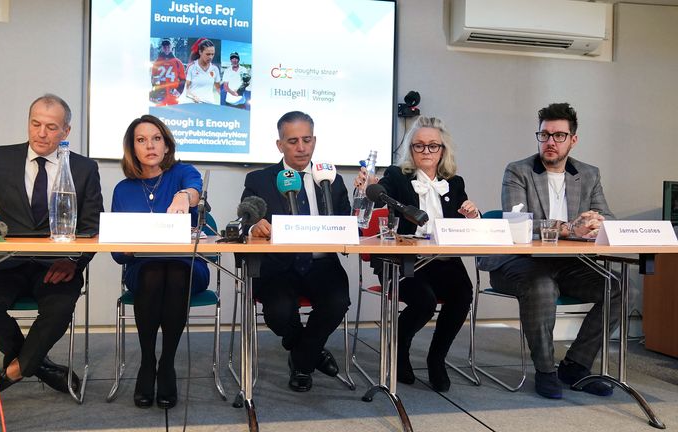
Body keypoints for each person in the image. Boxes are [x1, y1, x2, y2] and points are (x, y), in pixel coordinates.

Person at [0, 94, 104, 405]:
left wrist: (71, 260)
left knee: (58, 309)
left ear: (65, 131)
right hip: (7, 262)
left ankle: (6, 376)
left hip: (56, 264)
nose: (41, 133)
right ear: (28, 123)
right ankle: (38, 366)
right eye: (35, 124)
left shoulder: (84, 168)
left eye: (51, 127)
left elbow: (92, 225)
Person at [477, 102, 621, 399]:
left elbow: (609, 217)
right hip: (516, 263)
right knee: (542, 285)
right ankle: (545, 370)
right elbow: (518, 222)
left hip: (568, 264)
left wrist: (597, 222)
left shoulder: (589, 174)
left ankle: (576, 365)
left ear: (573, 140)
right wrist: (570, 228)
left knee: (617, 286)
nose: (550, 142)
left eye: (558, 135)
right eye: (544, 135)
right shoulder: (518, 171)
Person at [355, 116, 479, 391]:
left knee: (462, 294)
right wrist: (369, 185)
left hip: (443, 261)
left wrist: (473, 214)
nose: (425, 151)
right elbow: (379, 191)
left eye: (432, 146)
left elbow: (463, 224)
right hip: (402, 262)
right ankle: (399, 352)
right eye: (419, 146)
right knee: (424, 301)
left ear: (443, 150)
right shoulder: (398, 177)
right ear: (410, 149)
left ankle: (437, 358)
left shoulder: (455, 183)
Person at [240, 111, 351, 392]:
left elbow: (349, 223)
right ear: (280, 145)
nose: (301, 147)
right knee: (277, 314)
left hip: (322, 264)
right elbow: (245, 219)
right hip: (279, 266)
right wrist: (255, 226)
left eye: (306, 140)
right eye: (292, 141)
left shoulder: (332, 179)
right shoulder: (260, 180)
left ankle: (302, 361)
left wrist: (364, 201)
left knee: (337, 302)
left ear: (315, 140)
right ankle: (311, 349)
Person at [110, 115, 208, 409]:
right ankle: (147, 361)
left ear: (166, 145)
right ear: (132, 148)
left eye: (156, 138)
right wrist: (127, 248)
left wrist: (183, 197)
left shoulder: (182, 173)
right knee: (154, 272)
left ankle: (166, 364)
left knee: (175, 272)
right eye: (141, 140)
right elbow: (116, 254)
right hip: (143, 268)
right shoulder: (123, 190)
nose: (149, 145)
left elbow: (195, 188)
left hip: (188, 265)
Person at [150, 39, 186, 106]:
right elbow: (153, 78)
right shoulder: (157, 62)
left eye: (168, 47)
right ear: (162, 48)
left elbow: (183, 79)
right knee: (159, 114)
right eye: (164, 47)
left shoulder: (178, 62)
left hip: (172, 94)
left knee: (173, 114)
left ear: (171, 47)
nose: (166, 49)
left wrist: (179, 91)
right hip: (160, 94)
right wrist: (155, 91)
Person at [184, 38, 221, 104]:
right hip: (194, 104)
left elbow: (218, 88)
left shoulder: (215, 69)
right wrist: (193, 97)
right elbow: (185, 89)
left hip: (210, 105)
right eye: (208, 54)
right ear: (200, 52)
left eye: (212, 54)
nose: (210, 57)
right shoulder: (191, 67)